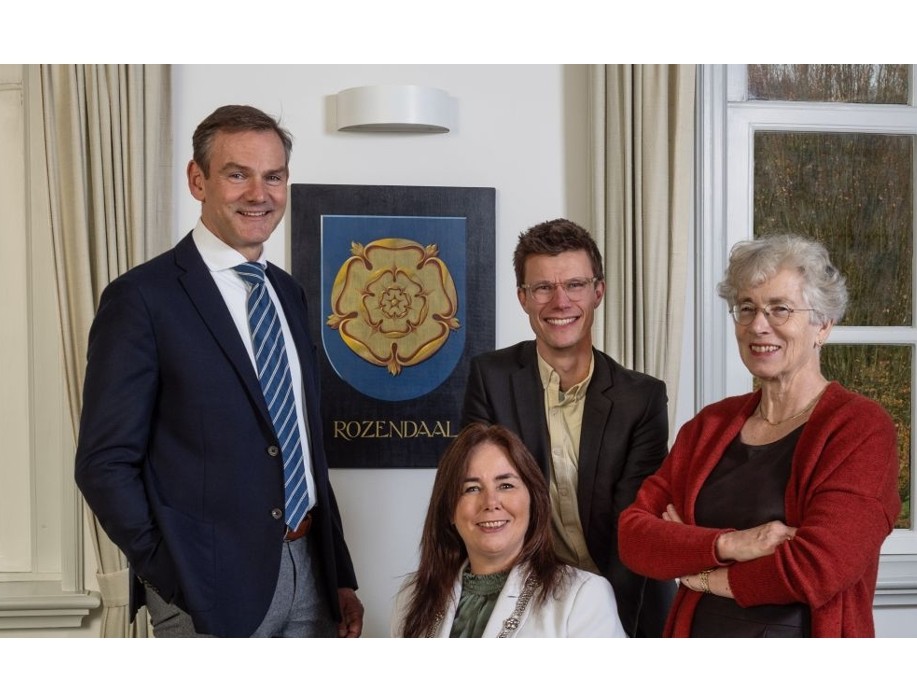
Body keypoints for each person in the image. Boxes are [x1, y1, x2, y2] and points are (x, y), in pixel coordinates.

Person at [75, 104, 363, 638]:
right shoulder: (142, 299)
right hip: (207, 590)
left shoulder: (288, 293)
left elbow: (303, 446)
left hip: (312, 576)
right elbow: (104, 463)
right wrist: (174, 576)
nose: (259, 194)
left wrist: (339, 575)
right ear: (197, 180)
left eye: (273, 176)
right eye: (237, 175)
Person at [619, 233, 901, 637]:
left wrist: (701, 575)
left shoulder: (860, 428)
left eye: (779, 309)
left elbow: (818, 568)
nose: (758, 326)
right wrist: (733, 545)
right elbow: (635, 538)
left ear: (823, 325)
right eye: (747, 308)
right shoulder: (709, 426)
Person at [461, 218, 675, 637]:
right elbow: (476, 493)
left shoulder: (643, 399)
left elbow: (633, 526)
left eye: (575, 285)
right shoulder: (490, 378)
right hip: (526, 599)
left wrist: (602, 622)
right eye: (543, 287)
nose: (560, 302)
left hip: (626, 601)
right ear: (523, 298)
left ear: (599, 292)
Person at [391, 423, 625, 637]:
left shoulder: (584, 596)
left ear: (533, 500)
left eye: (505, 485)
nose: (491, 502)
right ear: (449, 509)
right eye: (472, 488)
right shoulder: (412, 596)